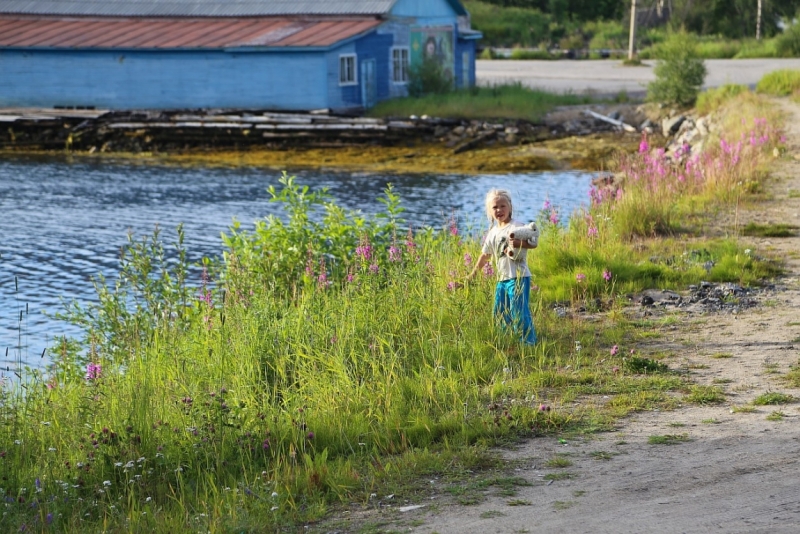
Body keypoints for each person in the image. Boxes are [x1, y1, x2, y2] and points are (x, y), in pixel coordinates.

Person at [466, 189, 537, 345]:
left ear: (510, 207)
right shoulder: (493, 232)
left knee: (519, 311)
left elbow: (533, 242)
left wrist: (519, 243)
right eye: (495, 207)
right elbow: (485, 255)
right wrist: (472, 275)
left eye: (502, 206)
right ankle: (506, 340)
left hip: (518, 276)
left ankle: (528, 343)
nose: (499, 210)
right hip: (502, 279)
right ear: (490, 211)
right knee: (499, 311)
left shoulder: (516, 226)